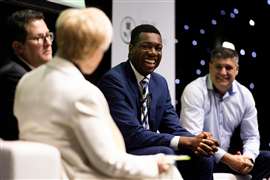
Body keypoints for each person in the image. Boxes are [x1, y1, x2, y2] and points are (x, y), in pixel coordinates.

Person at [14, 8, 183, 180]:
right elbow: (109, 162)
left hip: (39, 172)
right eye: (102, 49)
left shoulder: (26, 81)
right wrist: (156, 164)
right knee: (167, 170)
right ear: (90, 49)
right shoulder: (84, 93)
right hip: (79, 175)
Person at [98, 24, 219, 180]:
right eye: (146, 47)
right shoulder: (114, 80)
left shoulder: (159, 83)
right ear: (131, 48)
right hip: (123, 149)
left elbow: (172, 127)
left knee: (202, 156)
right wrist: (186, 141)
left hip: (149, 146)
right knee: (166, 154)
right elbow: (131, 135)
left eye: (158, 48)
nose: (153, 53)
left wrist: (199, 141)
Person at [180, 41, 270, 179]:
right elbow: (193, 137)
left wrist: (247, 159)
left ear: (237, 69)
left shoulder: (245, 95)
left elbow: (251, 137)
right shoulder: (194, 90)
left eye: (228, 67)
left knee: (268, 158)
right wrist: (229, 159)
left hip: (229, 157)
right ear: (210, 67)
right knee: (204, 158)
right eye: (218, 67)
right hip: (199, 156)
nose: (223, 72)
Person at [0, 9, 53, 140]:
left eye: (49, 35)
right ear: (18, 47)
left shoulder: (33, 74)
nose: (48, 43)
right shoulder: (14, 77)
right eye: (39, 38)